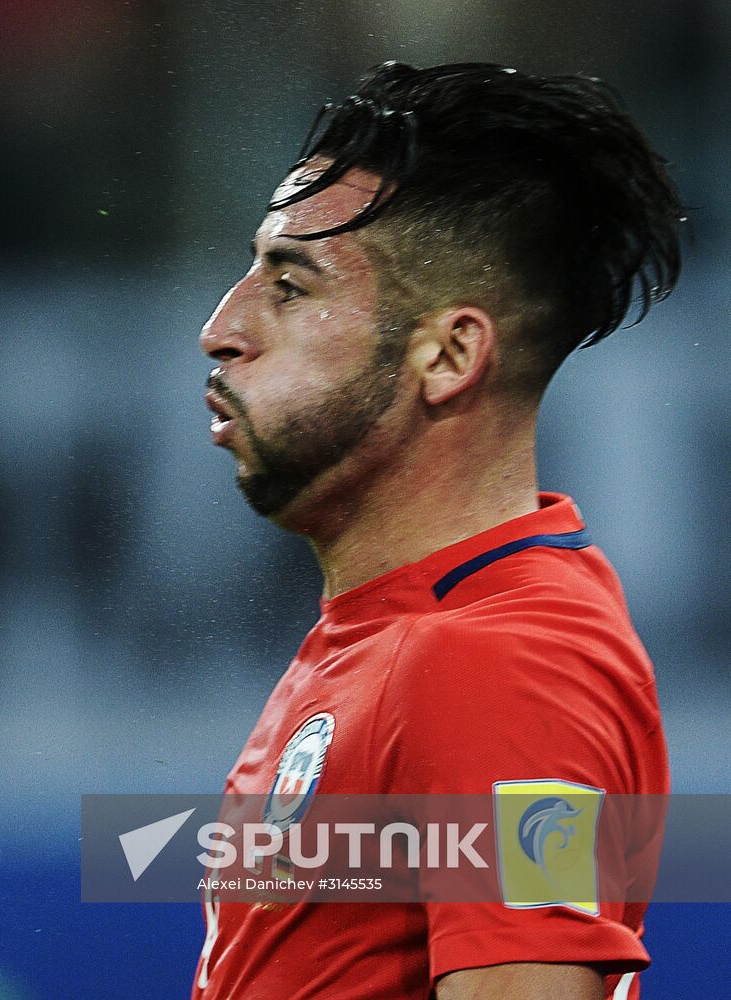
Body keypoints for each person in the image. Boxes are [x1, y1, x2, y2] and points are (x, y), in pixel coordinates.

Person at [196, 62, 682, 999]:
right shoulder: (404, 634)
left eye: (289, 286)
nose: (221, 327)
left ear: (450, 354)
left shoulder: (500, 666)